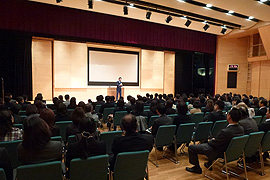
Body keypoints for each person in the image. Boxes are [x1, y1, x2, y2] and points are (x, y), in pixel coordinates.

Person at [186, 108, 244, 174]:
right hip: (231, 152)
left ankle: (197, 168)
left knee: (192, 148)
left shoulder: (225, 132)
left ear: (229, 116)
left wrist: (211, 140)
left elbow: (214, 144)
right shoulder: (241, 129)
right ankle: (209, 164)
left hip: (219, 152)